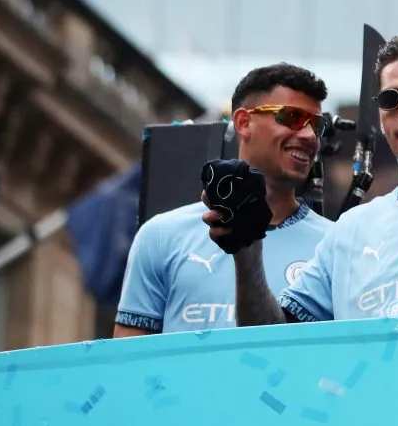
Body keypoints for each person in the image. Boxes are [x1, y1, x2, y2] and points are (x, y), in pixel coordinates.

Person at [203, 31, 398, 324]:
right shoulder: (350, 231)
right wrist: (247, 254)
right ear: (381, 118)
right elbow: (274, 342)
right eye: (391, 99)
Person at [113, 63, 334, 336]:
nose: (309, 136)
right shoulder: (161, 235)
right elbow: (129, 362)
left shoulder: (335, 244)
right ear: (243, 122)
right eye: (292, 118)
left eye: (316, 125)